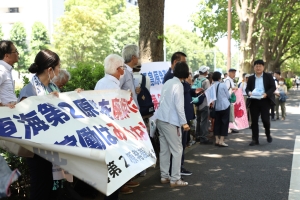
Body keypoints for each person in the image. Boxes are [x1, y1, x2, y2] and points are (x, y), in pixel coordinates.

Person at [18, 49, 61, 200]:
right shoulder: (29, 91)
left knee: (52, 189)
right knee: (40, 190)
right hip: (37, 151)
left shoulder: (53, 88)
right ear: (50, 70)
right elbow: (24, 121)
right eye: (58, 67)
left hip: (52, 147)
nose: (59, 70)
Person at [94, 54, 128, 199]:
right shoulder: (114, 88)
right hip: (113, 136)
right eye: (123, 68)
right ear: (119, 69)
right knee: (114, 176)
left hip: (101, 133)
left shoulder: (100, 83)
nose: (124, 70)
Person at [156, 61, 190, 187]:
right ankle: (175, 179)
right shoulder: (178, 85)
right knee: (177, 150)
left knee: (164, 150)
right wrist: (184, 123)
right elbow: (179, 106)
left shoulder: (168, 82)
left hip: (161, 119)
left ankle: (164, 176)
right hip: (171, 121)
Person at [162, 52, 194, 176]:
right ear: (176, 62)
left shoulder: (176, 80)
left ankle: (171, 172)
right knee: (176, 147)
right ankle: (175, 173)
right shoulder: (172, 79)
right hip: (175, 119)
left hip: (174, 118)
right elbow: (178, 105)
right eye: (183, 63)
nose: (185, 66)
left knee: (176, 146)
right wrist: (183, 122)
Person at [246, 59, 276, 146]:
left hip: (265, 100)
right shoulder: (251, 78)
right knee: (254, 121)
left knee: (265, 119)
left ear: (263, 67)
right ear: (254, 67)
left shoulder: (268, 76)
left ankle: (268, 133)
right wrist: (249, 92)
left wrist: (267, 94)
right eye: (256, 66)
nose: (258, 68)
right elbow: (247, 88)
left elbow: (273, 87)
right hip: (254, 101)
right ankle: (255, 139)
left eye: (260, 66)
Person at [194, 66, 212, 144]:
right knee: (204, 121)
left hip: (197, 102)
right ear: (205, 72)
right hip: (204, 103)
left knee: (198, 120)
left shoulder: (196, 79)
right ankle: (203, 137)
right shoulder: (206, 81)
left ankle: (197, 136)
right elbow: (208, 92)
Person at [212, 71, 230, 147]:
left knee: (217, 123)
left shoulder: (211, 86)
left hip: (216, 107)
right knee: (224, 123)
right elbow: (228, 96)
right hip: (225, 106)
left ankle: (216, 140)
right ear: (219, 77)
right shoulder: (222, 85)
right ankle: (221, 140)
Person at [120, 44, 140, 108]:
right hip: (128, 112)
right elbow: (116, 91)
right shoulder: (123, 71)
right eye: (138, 55)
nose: (139, 57)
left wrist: (135, 91)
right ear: (133, 57)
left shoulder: (128, 71)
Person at [0, 40, 19, 108]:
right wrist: (3, 106)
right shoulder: (1, 70)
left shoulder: (6, 69)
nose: (18, 53)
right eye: (15, 51)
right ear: (7, 56)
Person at [224, 68, 239, 133]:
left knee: (231, 113)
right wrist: (234, 88)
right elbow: (227, 89)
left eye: (234, 73)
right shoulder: (227, 80)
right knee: (229, 113)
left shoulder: (231, 80)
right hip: (228, 99)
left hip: (230, 99)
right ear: (229, 73)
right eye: (233, 73)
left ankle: (230, 127)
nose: (234, 74)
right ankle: (228, 128)